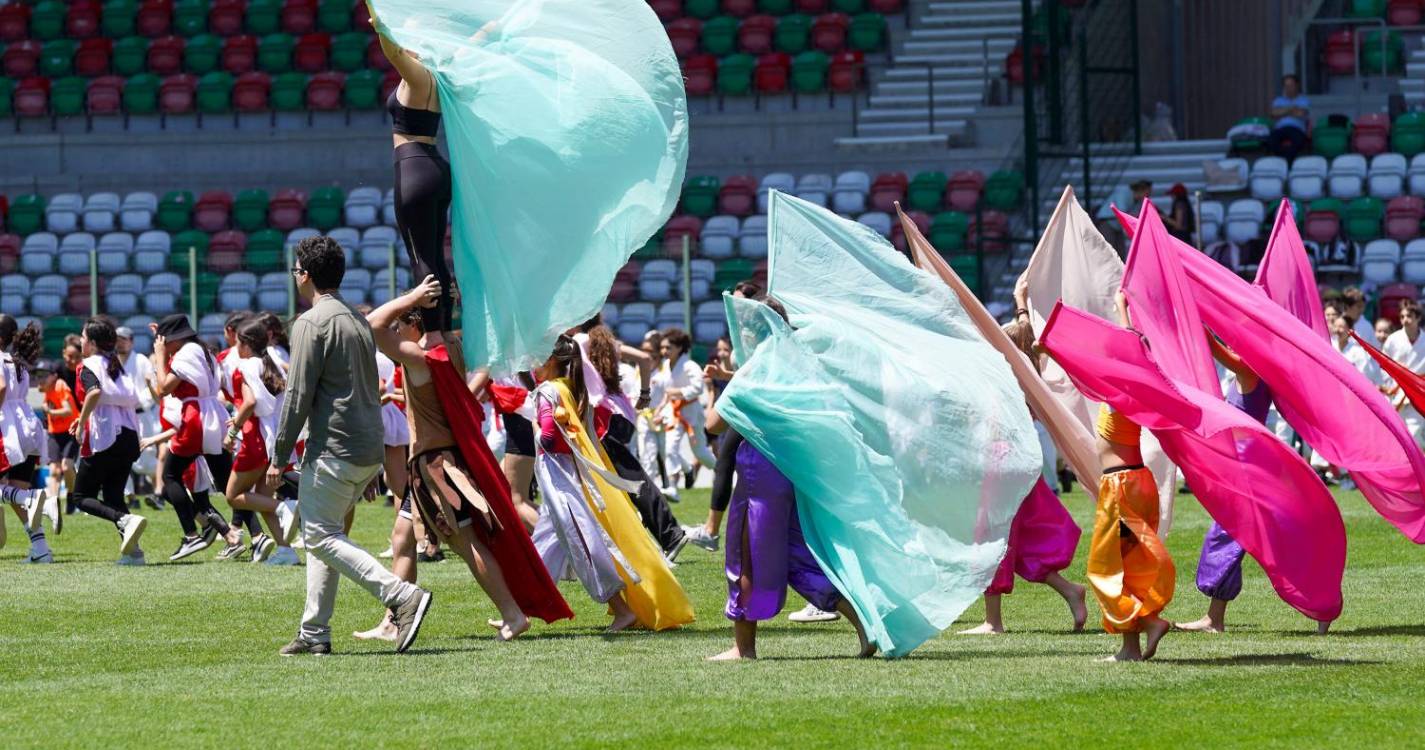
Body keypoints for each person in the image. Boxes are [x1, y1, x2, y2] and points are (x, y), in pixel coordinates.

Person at [357, 279, 572, 643]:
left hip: (437, 466)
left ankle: (512, 614)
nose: (397, 330)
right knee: (402, 537)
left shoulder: (424, 357)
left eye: (402, 324)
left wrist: (410, 297)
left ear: (414, 322)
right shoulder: (454, 347)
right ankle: (393, 622)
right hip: (435, 461)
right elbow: (483, 367)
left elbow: (372, 325)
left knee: (467, 544)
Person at [271, 235, 432, 656]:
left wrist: (279, 454)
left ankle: (400, 595)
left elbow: (297, 394)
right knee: (325, 534)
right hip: (367, 446)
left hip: (334, 447)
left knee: (321, 537)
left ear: (304, 275)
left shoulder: (311, 322)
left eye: (295, 270)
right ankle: (314, 632)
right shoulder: (356, 318)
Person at [702, 365, 871, 661]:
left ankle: (744, 648)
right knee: (797, 558)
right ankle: (863, 625)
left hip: (759, 472)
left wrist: (721, 385)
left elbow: (713, 424)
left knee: (744, 558)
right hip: (791, 469)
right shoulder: (791, 369)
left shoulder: (753, 373)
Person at [529, 334, 695, 632]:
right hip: (568, 475)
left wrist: (536, 428)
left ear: (551, 361)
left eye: (536, 358)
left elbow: (552, 440)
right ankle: (519, 610)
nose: (531, 365)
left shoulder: (548, 392)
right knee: (543, 543)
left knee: (584, 542)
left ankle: (621, 608)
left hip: (560, 478)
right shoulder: (570, 387)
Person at [959, 316, 1087, 635]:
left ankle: (993, 621)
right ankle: (1071, 591)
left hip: (1001, 462)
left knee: (992, 537)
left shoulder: (1006, 381)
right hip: (1017, 462)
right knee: (1022, 543)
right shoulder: (1027, 379)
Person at [1084, 293, 1173, 662]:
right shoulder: (1127, 389)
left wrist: (1123, 308)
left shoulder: (1126, 388)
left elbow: (1131, 343)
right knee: (1129, 569)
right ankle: (1132, 643)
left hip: (1121, 485)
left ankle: (1147, 624)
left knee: (1104, 569)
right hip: (1134, 481)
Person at [368, 0, 457, 337]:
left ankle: (433, 334)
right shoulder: (439, 74)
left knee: (420, 253)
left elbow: (392, 53)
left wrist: (379, 22)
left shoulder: (421, 76)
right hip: (431, 165)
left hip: (415, 167)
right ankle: (444, 330)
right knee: (434, 253)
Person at [578, 320, 688, 562]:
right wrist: (645, 395)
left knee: (631, 479)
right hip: (621, 414)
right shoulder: (602, 341)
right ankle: (650, 538)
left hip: (604, 419)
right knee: (619, 482)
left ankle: (670, 534)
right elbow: (644, 359)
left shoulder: (579, 342)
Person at [151, 313, 239, 561]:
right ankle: (249, 536)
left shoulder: (185, 353)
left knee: (170, 476)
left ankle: (191, 535)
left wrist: (159, 357)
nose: (162, 345)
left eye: (163, 340)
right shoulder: (203, 350)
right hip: (214, 415)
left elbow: (162, 388)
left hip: (196, 417)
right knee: (226, 482)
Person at [68, 318, 150, 564]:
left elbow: (94, 393)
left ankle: (125, 521)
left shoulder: (88, 365)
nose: (81, 341)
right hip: (128, 435)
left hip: (106, 435)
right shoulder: (114, 363)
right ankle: (134, 554)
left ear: (91, 343)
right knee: (114, 496)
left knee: (80, 497)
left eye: (83, 338)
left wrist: (82, 422)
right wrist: (83, 417)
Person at [221, 319, 296, 565]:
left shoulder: (245, 366)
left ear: (246, 345)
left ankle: (285, 508)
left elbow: (250, 402)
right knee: (263, 497)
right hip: (275, 434)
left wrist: (233, 431)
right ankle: (286, 550)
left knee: (233, 495)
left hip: (257, 435)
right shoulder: (272, 363)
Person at [0, 315, 54, 562]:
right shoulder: (16, 360)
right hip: (28, 424)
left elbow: (0, 388)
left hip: (8, 427)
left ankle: (34, 498)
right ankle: (41, 550)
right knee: (15, 490)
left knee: (20, 495)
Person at [651, 328, 717, 496]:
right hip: (673, 412)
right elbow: (667, 391)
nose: (664, 351)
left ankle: (720, 469)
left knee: (700, 453)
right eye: (663, 348)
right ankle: (673, 486)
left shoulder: (690, 366)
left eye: (669, 348)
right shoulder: (665, 366)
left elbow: (698, 388)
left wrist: (677, 392)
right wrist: (660, 409)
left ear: (680, 347)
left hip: (692, 412)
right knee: (670, 448)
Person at [115, 326, 158, 510]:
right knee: (120, 456)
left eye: (124, 339)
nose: (120, 342)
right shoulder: (111, 361)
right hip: (119, 415)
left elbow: (152, 385)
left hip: (141, 415)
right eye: (117, 339)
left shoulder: (141, 361)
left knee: (146, 461)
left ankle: (160, 491)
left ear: (131, 341)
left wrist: (138, 401)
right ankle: (129, 496)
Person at [39, 359, 78, 526]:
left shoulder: (60, 385)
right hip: (54, 433)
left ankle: (71, 496)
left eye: (43, 376)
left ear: (54, 376)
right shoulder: (46, 389)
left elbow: (68, 410)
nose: (40, 379)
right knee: (54, 470)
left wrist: (50, 412)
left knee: (67, 467)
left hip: (70, 430)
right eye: (37, 375)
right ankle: (54, 504)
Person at [1383, 299, 1425, 450]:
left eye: (1409, 316)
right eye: (1402, 317)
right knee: (1396, 437)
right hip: (1397, 392)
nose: (1405, 320)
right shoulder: (1393, 340)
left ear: (1418, 318)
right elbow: (1383, 365)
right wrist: (1397, 370)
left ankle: (1417, 468)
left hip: (1418, 393)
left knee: (1414, 435)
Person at [1267, 74, 1310, 160]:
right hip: (1280, 128)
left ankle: (1287, 163)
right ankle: (1283, 160)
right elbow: (1274, 113)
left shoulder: (1303, 100)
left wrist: (1282, 111)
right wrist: (1291, 108)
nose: (1288, 88)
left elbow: (1301, 114)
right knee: (1271, 141)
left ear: (1297, 86)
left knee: (1298, 142)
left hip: (1296, 128)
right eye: (1286, 86)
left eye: (1291, 85)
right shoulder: (1278, 100)